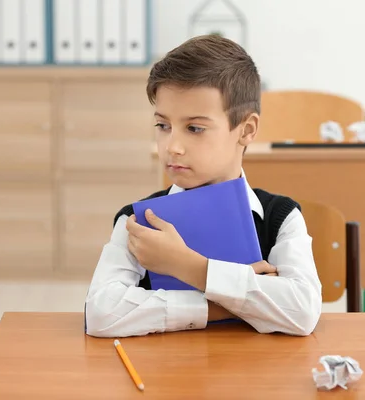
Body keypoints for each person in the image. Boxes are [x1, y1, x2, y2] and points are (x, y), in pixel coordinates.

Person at [84, 35, 322, 338]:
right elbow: (101, 313)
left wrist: (189, 267)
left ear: (246, 130)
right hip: (163, 379)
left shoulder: (281, 217)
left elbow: (301, 311)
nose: (172, 146)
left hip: (256, 380)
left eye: (195, 128)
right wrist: (221, 307)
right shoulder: (137, 222)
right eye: (163, 126)